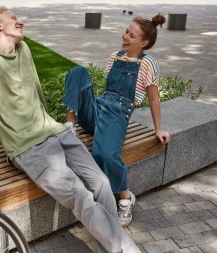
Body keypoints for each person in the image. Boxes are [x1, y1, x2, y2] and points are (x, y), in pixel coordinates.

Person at [0, 6, 141, 253]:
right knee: (81, 196)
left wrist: (54, 125)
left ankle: (110, 249)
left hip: (56, 132)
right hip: (29, 148)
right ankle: (127, 250)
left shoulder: (23, 50)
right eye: (14, 19)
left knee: (101, 182)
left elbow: (35, 92)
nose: (21, 22)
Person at [63, 14, 170, 227]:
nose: (125, 36)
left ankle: (125, 197)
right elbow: (107, 91)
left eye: (132, 35)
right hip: (99, 107)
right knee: (78, 72)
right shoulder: (115, 56)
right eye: (126, 32)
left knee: (104, 154)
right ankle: (69, 124)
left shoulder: (148, 64)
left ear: (144, 42)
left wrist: (159, 129)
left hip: (118, 114)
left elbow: (153, 98)